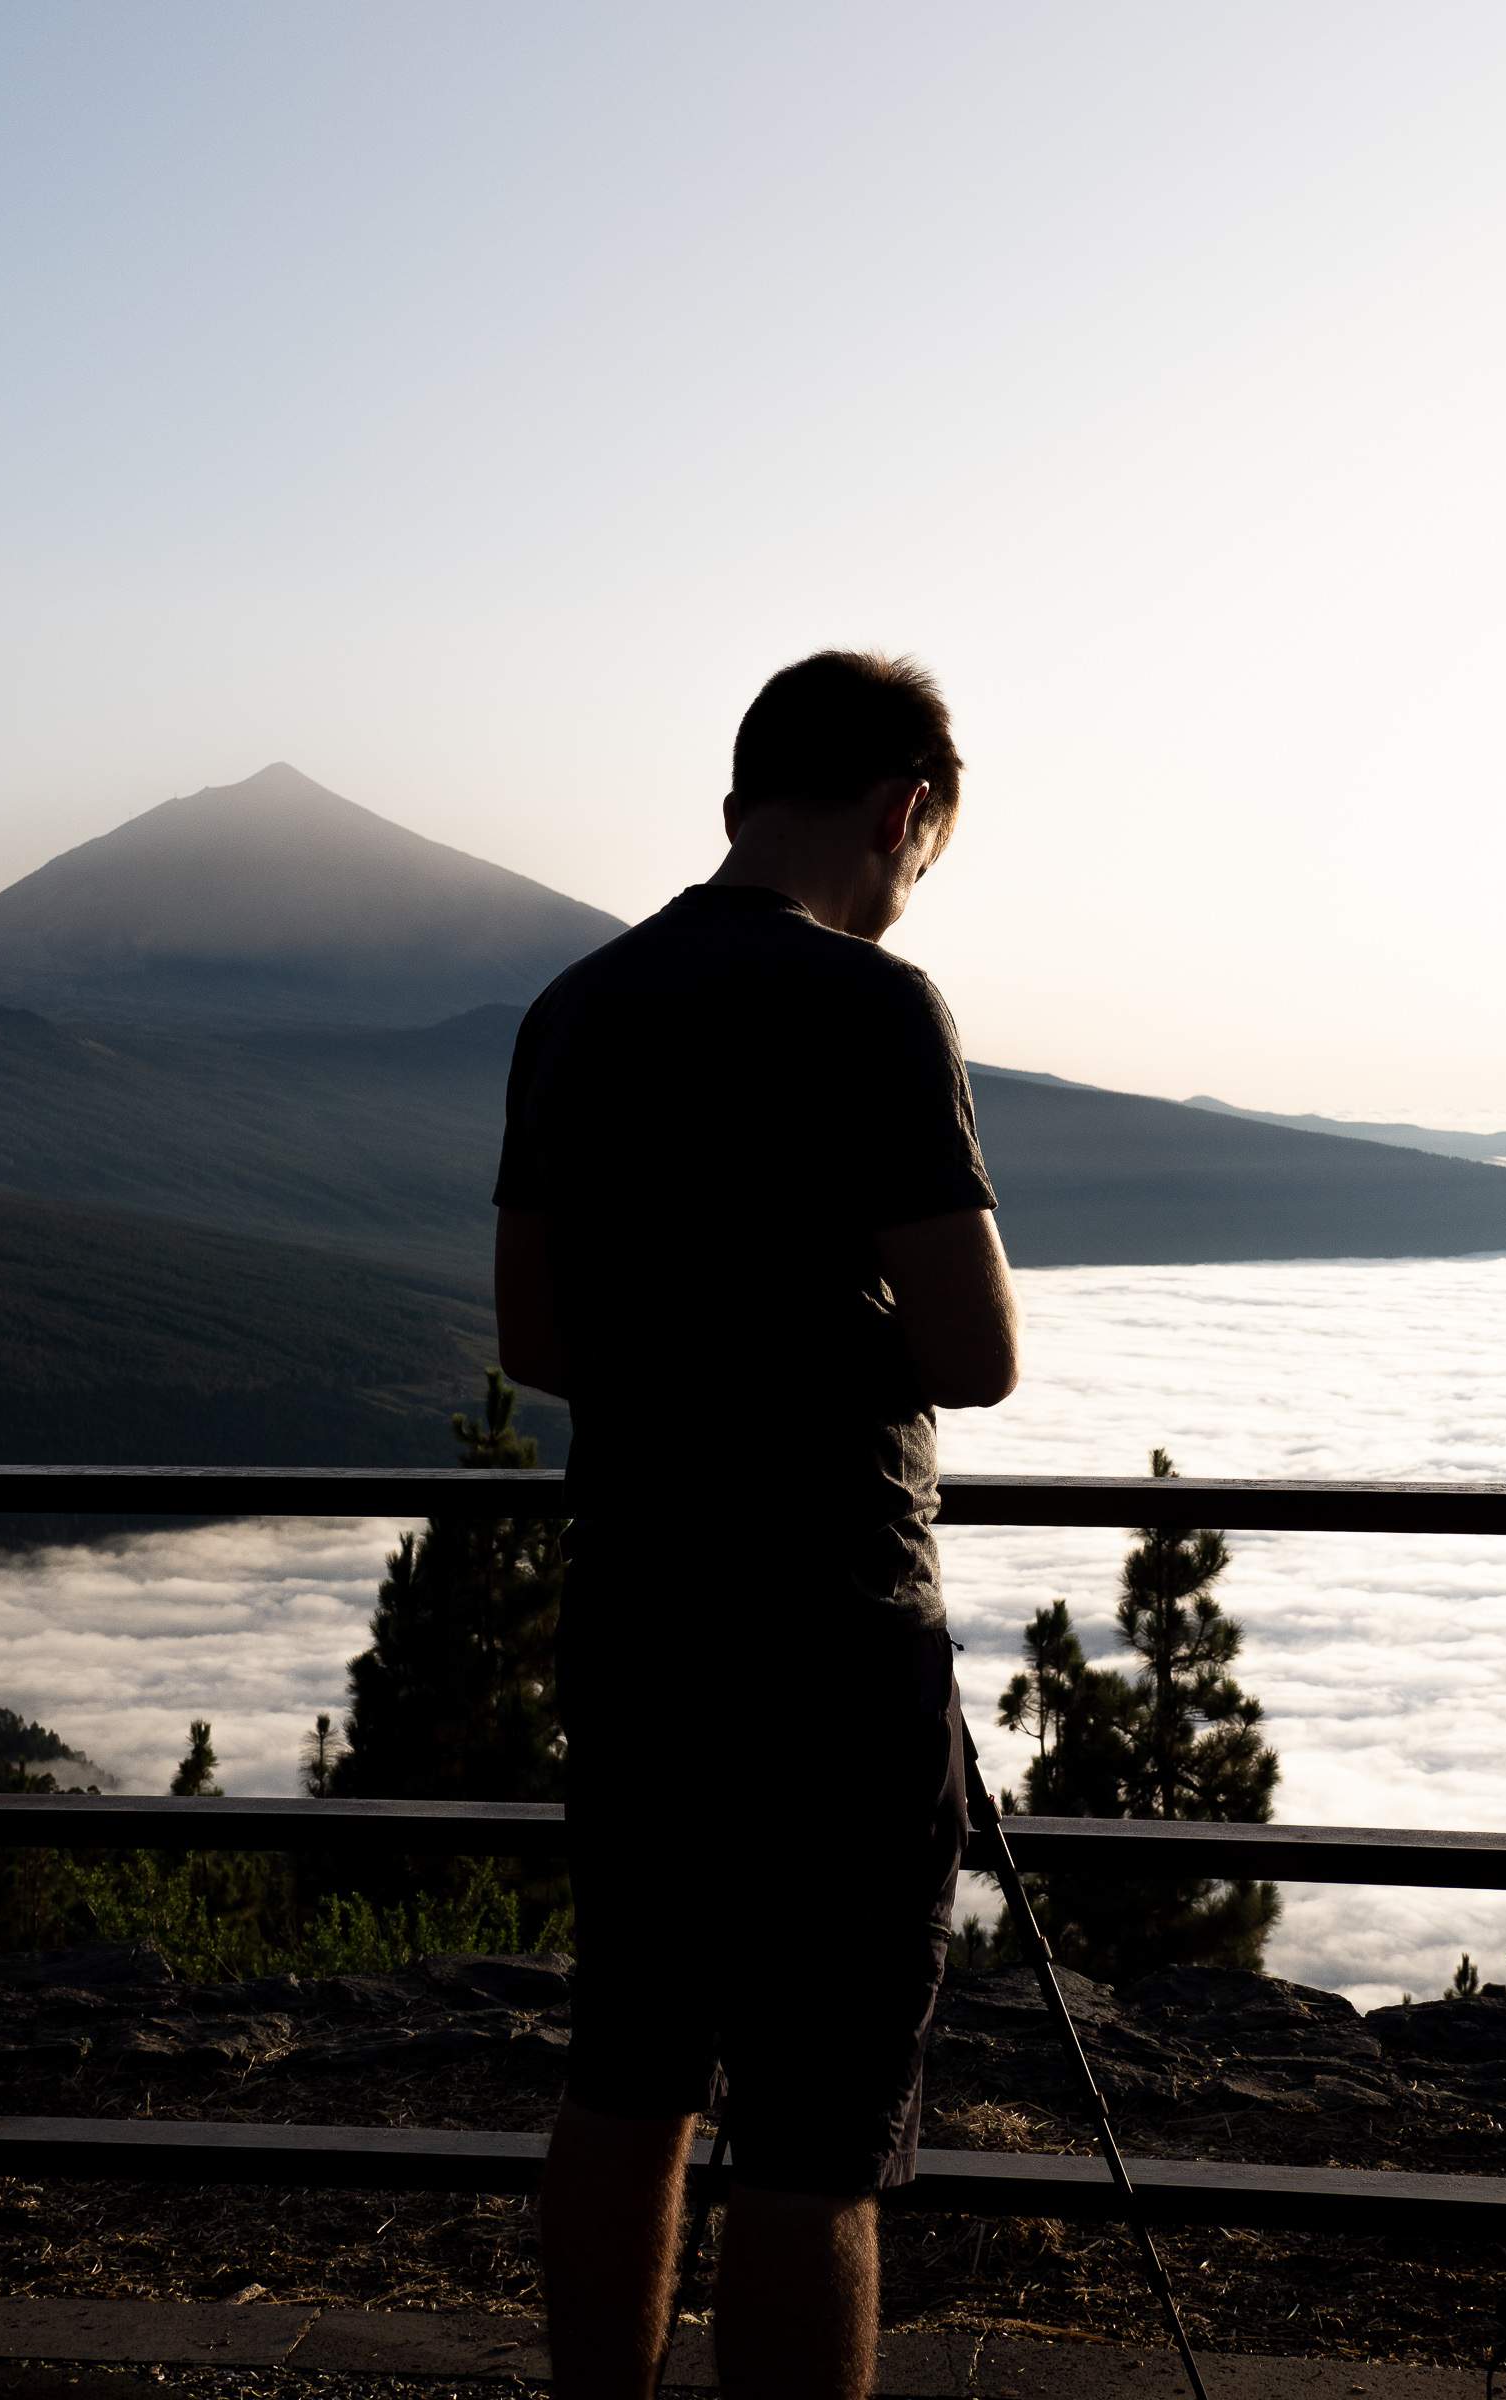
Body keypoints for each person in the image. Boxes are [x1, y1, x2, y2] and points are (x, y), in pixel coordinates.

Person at [493, 650, 1020, 2400]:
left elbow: (538, 1340)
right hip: (837, 1634)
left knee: (626, 2075)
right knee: (812, 2135)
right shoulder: (880, 1007)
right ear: (902, 810)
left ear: (737, 802)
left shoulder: (573, 1007)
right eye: (919, 853)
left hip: (637, 1617)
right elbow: (975, 1353)